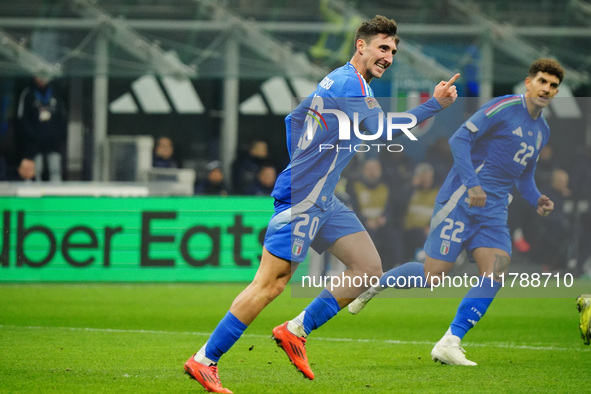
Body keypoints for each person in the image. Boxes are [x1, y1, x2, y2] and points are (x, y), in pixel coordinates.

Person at [183, 15, 459, 392]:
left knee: (367, 268)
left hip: (323, 198)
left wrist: (305, 156)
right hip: (305, 197)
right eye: (382, 48)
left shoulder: (342, 79)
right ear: (360, 45)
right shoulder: (351, 85)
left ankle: (296, 330)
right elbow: (385, 131)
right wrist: (435, 105)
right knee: (270, 284)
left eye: (392, 51)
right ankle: (204, 360)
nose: (388, 57)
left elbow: (292, 119)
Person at [348, 58, 564, 367]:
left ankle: (450, 341)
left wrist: (537, 199)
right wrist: (473, 185)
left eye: (553, 85)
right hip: (461, 201)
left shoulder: (542, 130)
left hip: (493, 212)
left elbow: (524, 176)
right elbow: (459, 138)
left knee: (496, 272)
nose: (547, 88)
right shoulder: (503, 108)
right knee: (432, 276)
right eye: (542, 81)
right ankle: (379, 283)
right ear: (529, 83)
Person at [16, 75, 67, 181]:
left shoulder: (55, 93)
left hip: (53, 141)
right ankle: (34, 196)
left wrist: (57, 135)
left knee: (55, 169)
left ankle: (56, 195)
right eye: (38, 76)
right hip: (34, 141)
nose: (41, 79)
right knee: (35, 170)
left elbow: (62, 117)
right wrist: (32, 135)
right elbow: (22, 118)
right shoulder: (28, 93)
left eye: (44, 76)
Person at [402, 162, 439, 261]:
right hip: (410, 229)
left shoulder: (437, 192)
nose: (427, 180)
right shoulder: (412, 191)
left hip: (429, 228)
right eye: (424, 178)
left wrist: (429, 225)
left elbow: (440, 212)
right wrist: (412, 186)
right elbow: (399, 205)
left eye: (429, 177)